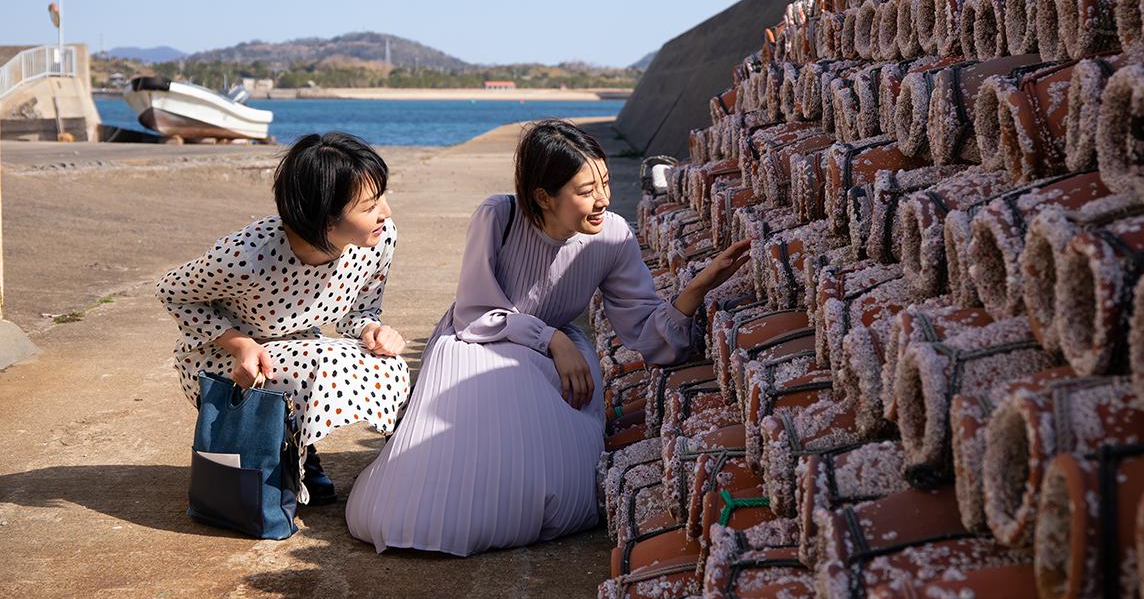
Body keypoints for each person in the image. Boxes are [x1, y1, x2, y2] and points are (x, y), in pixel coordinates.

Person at [345, 119, 748, 555]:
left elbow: (646, 332)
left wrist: (696, 289)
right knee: (433, 491)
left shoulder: (612, 236)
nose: (603, 200)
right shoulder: (498, 216)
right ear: (543, 196)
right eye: (585, 190)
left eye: (606, 183)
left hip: (556, 358)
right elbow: (475, 311)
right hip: (477, 342)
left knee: (554, 491)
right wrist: (553, 339)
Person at [157, 131, 411, 504]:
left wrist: (374, 330)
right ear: (325, 218)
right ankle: (291, 456)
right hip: (221, 358)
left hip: (295, 346)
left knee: (387, 366)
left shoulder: (378, 241)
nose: (386, 212)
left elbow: (360, 313)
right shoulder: (249, 256)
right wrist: (239, 344)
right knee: (322, 361)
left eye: (382, 197)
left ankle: (390, 466)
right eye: (370, 206)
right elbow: (172, 292)